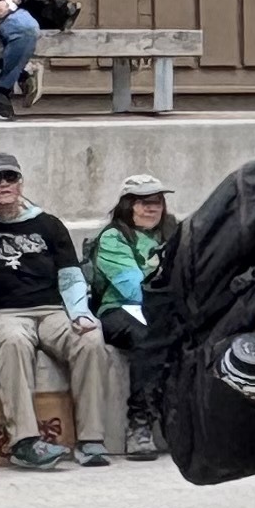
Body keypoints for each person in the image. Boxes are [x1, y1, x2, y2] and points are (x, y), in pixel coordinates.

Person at [0, 151, 122, 468]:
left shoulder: (48, 224)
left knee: (89, 339)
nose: (3, 184)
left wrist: (80, 313)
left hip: (52, 311)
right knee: (14, 341)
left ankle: (91, 439)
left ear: (20, 181)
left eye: (10, 177)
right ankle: (25, 442)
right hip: (0, 314)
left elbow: (70, 276)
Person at [89, 175, 172, 460]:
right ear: (128, 206)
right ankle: (140, 423)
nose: (152, 208)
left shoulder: (173, 233)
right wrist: (162, 264)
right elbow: (132, 289)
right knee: (147, 338)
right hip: (118, 310)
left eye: (157, 201)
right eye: (144, 202)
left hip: (164, 308)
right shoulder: (114, 237)